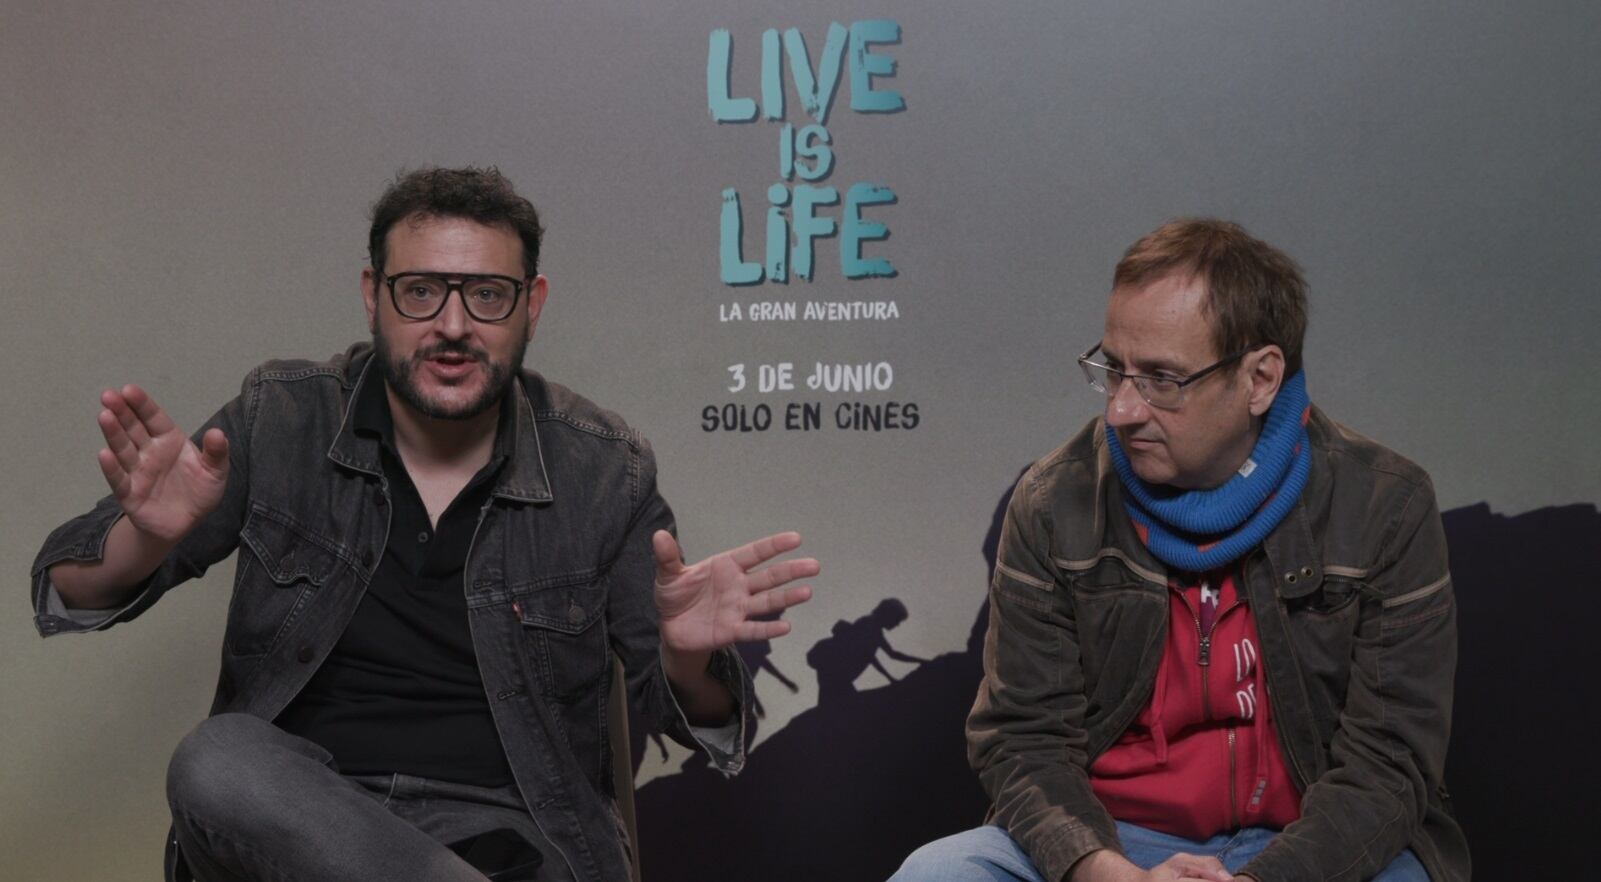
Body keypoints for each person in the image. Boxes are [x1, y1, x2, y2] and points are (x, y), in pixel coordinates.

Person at [29, 166, 818, 882]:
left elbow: (702, 720)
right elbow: (68, 587)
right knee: (218, 758)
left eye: (487, 295)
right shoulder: (283, 417)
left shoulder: (604, 469)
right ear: (373, 295)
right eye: (420, 291)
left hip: (511, 836)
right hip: (298, 827)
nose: (452, 325)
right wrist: (151, 537)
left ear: (531, 305)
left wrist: (687, 658)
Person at [892, 220, 1467, 882]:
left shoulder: (1385, 505)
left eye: (1161, 379)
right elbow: (1023, 740)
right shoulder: (1054, 501)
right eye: (1114, 370)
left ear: (1260, 379)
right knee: (937, 873)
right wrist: (1104, 871)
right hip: (1110, 841)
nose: (1121, 410)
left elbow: (1389, 764)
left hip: (1312, 848)